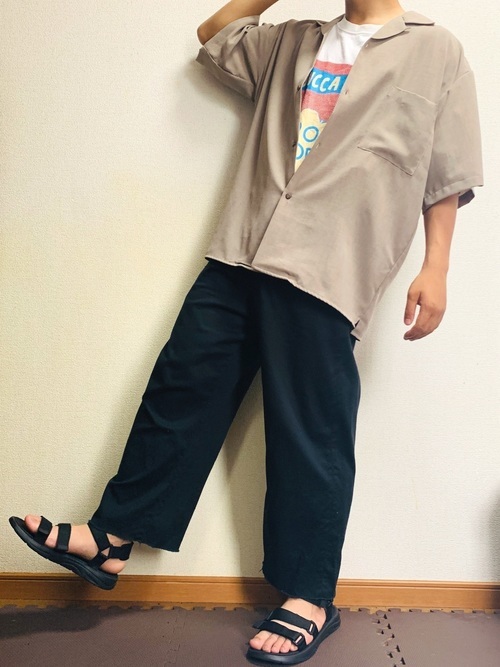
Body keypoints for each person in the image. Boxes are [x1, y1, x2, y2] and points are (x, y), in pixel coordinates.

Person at [10, 0, 483, 664]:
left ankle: (309, 595)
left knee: (309, 433)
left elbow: (447, 172)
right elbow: (215, 34)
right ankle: (113, 535)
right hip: (245, 247)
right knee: (181, 387)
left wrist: (437, 267)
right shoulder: (292, 40)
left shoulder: (437, 52)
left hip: (330, 265)